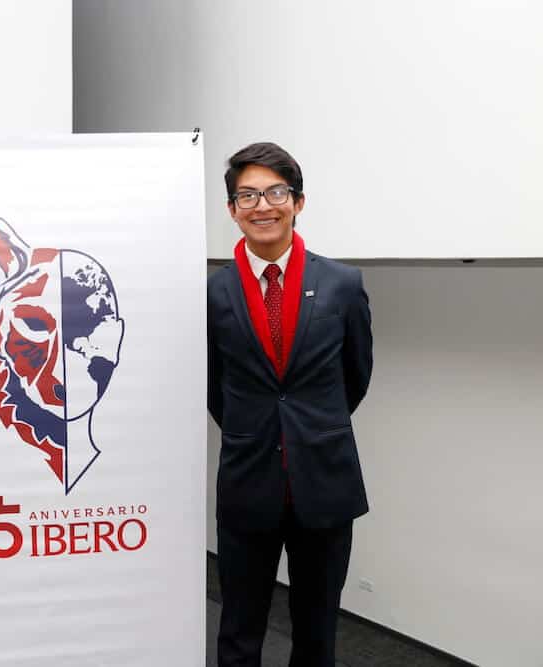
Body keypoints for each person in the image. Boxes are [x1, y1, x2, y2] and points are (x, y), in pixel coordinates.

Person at [207, 143, 373, 666]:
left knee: (317, 633)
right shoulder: (211, 293)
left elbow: (355, 377)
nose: (263, 206)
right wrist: (255, 428)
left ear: (298, 202)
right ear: (232, 209)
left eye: (276, 193)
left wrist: (309, 429)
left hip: (324, 481)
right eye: (248, 196)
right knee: (239, 630)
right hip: (247, 481)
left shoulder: (342, 285)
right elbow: (214, 386)